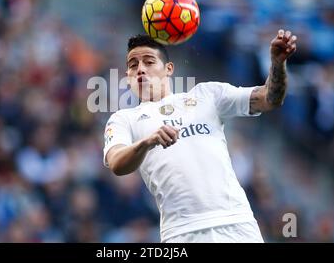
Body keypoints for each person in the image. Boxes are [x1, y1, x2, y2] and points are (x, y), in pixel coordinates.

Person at [103, 29, 297, 243]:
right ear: (128, 77)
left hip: (236, 224)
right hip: (182, 232)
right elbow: (116, 163)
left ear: (169, 69)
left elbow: (270, 98)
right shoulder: (124, 119)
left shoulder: (207, 95)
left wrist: (277, 64)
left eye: (148, 62)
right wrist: (148, 141)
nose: (140, 69)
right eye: (133, 65)